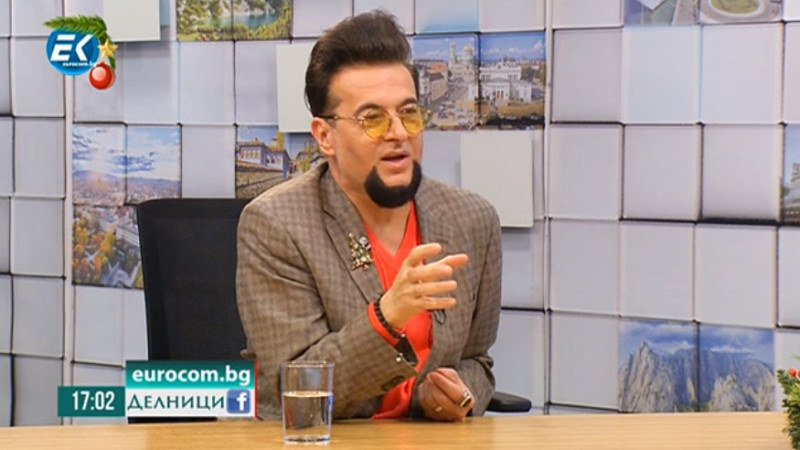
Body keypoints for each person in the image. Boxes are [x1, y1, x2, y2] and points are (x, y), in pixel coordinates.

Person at [236, 10, 502, 422]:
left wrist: (454, 394)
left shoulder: (472, 220)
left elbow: (477, 361)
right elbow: (294, 387)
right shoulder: (277, 225)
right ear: (325, 136)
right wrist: (388, 315)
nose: (399, 133)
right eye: (373, 119)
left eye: (409, 113)